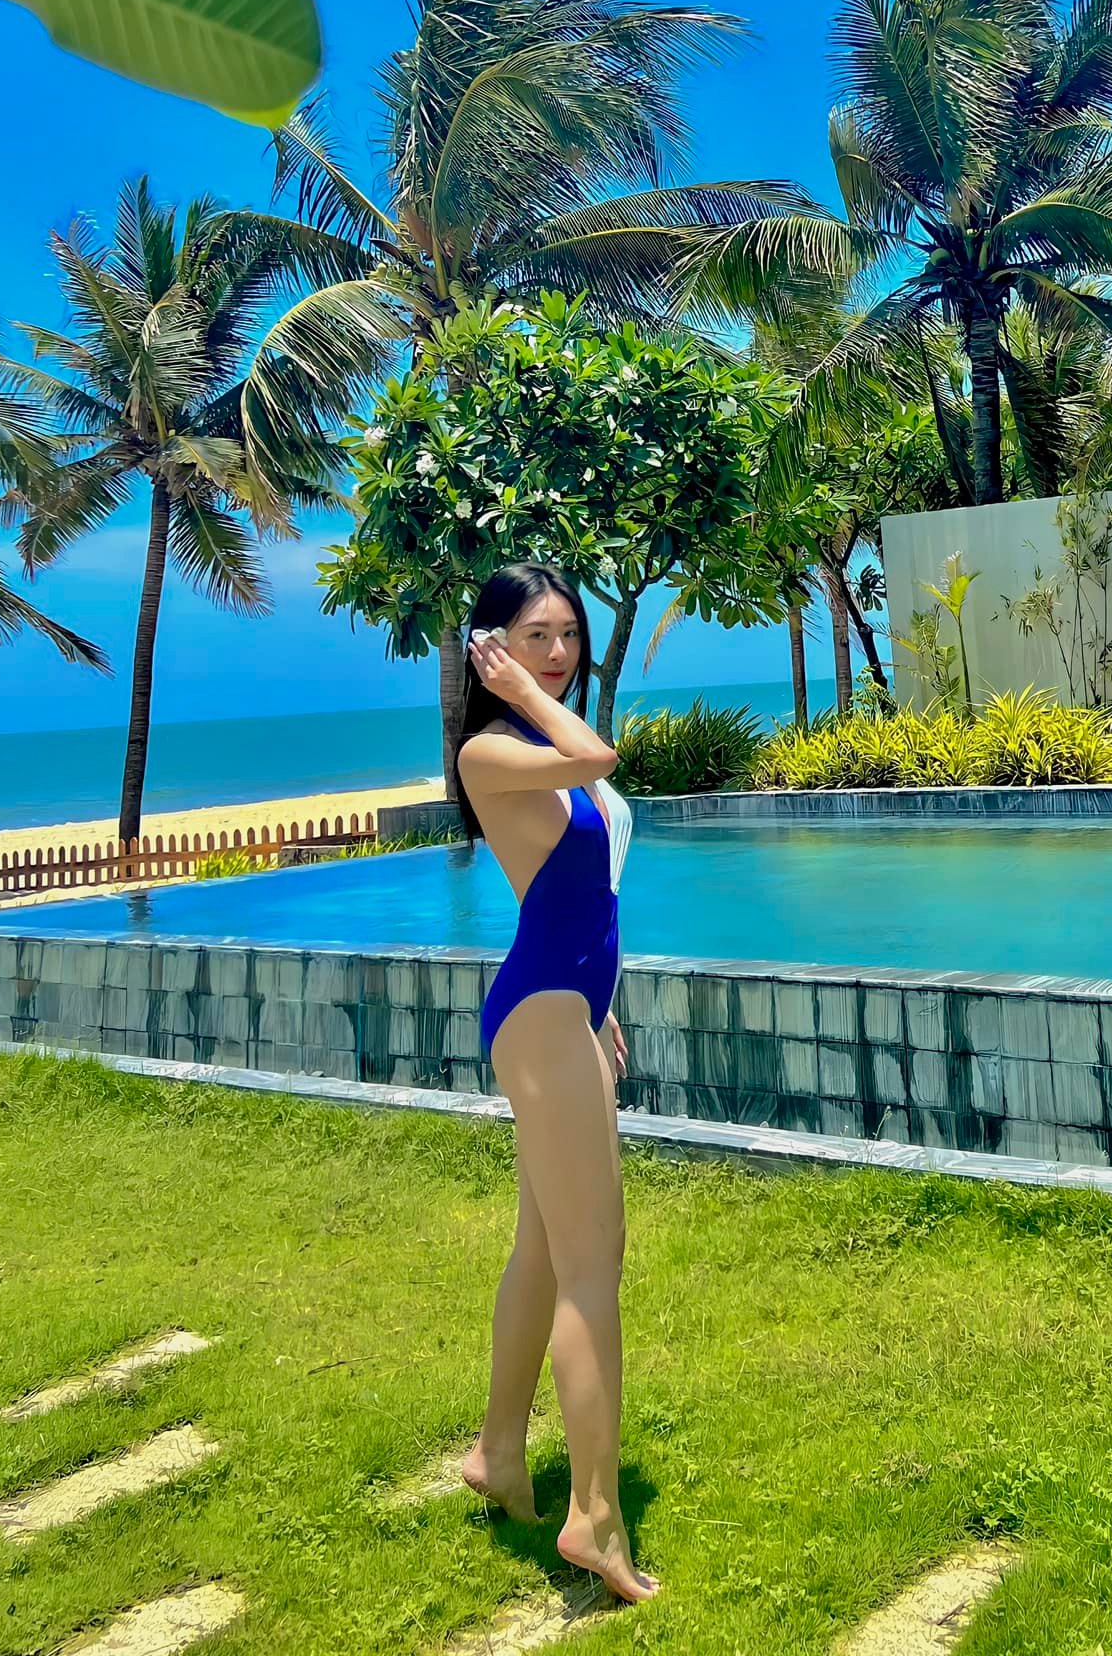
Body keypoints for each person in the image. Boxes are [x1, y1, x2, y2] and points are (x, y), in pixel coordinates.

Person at [453, 562, 658, 1605]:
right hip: (538, 1014)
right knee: (592, 1264)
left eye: (569, 634)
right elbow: (599, 754)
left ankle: (498, 1452)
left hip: (568, 1008)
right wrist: (520, 691)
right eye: (535, 635)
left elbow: (585, 891)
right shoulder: (492, 750)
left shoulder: (540, 747)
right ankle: (595, 1513)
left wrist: (600, 1001)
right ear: (489, 647)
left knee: (544, 1248)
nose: (561, 653)